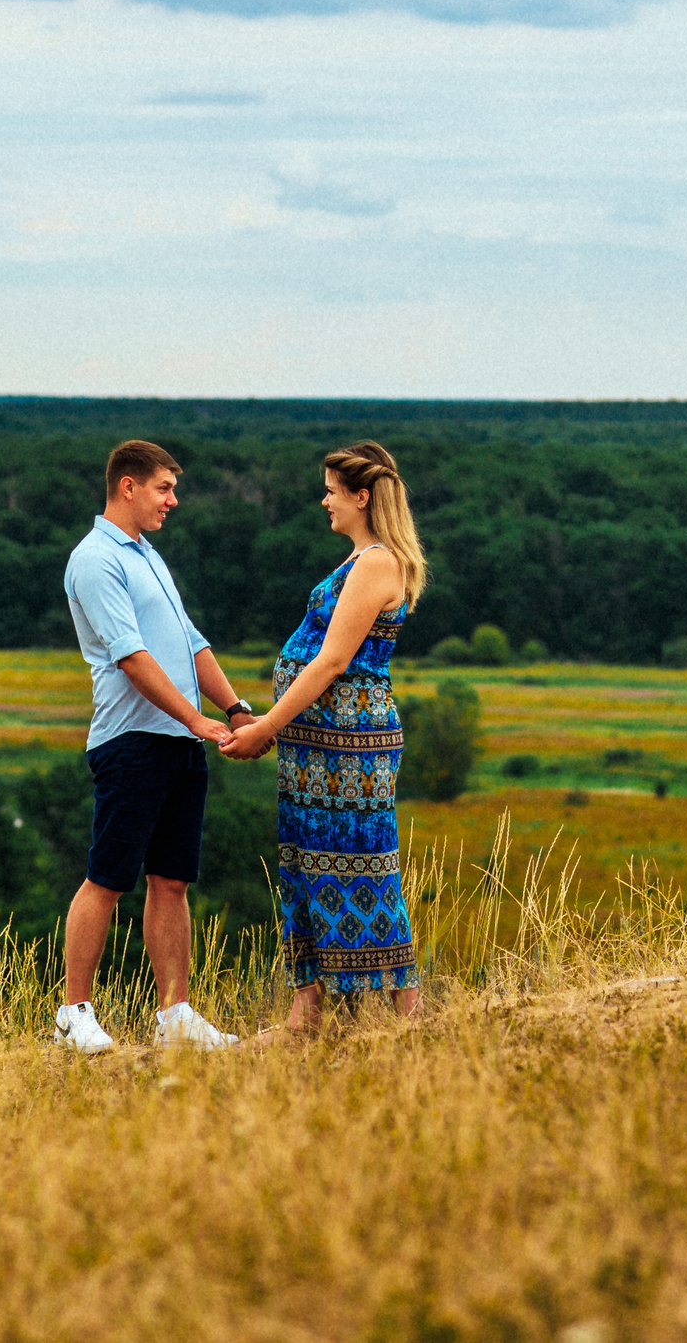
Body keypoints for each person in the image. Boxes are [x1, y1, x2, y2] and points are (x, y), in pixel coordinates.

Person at [53, 439, 250, 1054]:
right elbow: (133, 659)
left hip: (180, 742)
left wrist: (234, 710)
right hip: (131, 741)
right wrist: (199, 721)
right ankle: (73, 1015)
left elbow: (190, 643)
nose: (174, 499)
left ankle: (176, 1017)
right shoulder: (94, 559)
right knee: (108, 877)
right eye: (165, 488)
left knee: (171, 881)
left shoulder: (149, 557)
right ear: (128, 486)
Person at [225, 441, 427, 1030]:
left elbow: (332, 662)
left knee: (362, 866)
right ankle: (307, 1010)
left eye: (333, 492)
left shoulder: (377, 563)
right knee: (307, 864)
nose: (324, 501)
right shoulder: (358, 559)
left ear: (362, 497)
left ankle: (408, 1016)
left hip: (349, 748)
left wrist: (266, 725)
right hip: (317, 748)